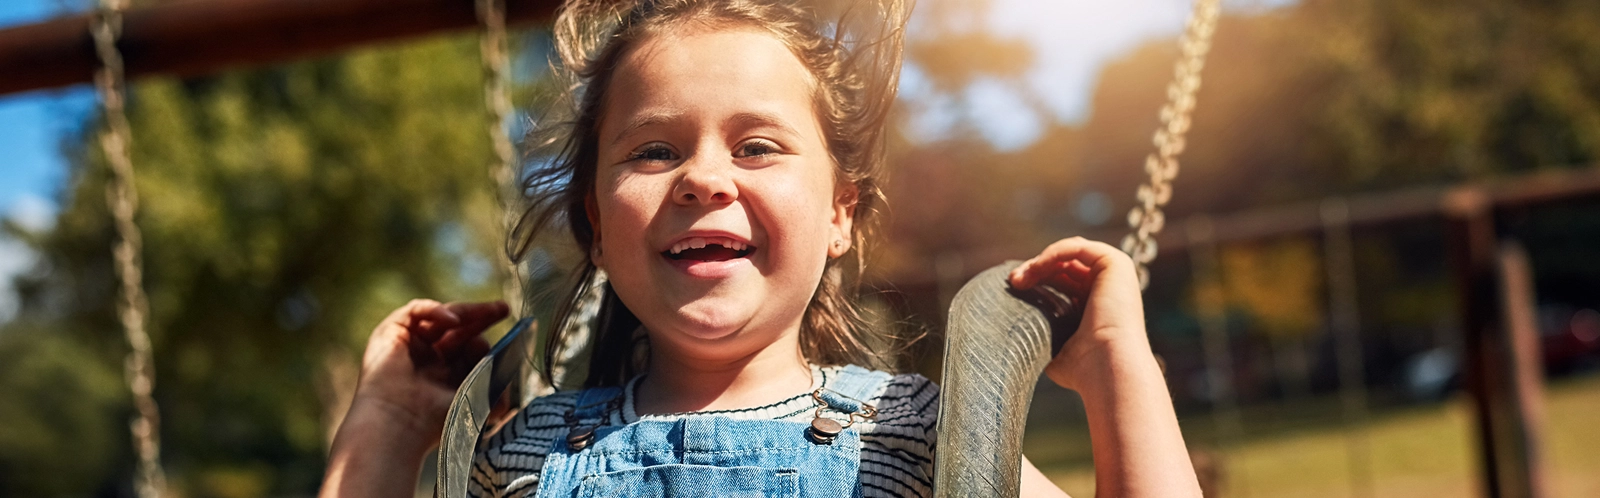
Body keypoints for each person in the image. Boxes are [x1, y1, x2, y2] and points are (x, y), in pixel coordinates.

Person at [320, 0, 1201, 496]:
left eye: (757, 147)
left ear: (838, 215)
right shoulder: (525, 451)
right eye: (654, 150)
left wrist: (1121, 364)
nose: (704, 179)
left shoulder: (919, 434)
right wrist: (391, 429)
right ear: (595, 221)